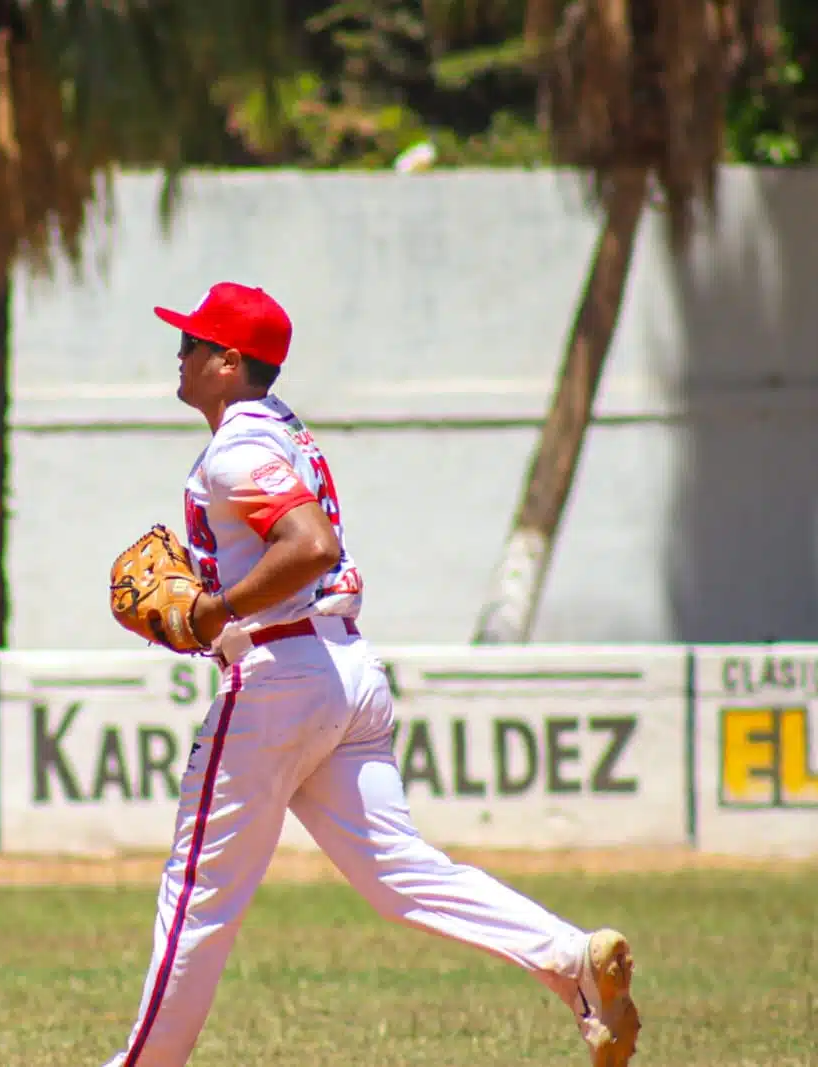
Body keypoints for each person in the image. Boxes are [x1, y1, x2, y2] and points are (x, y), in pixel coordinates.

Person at [99, 281, 642, 1067]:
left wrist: (215, 610)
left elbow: (310, 543)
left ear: (228, 361)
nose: (177, 354)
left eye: (191, 343)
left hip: (282, 677)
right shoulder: (285, 431)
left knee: (197, 897)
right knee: (401, 873)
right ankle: (571, 961)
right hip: (347, 670)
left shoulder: (239, 449)